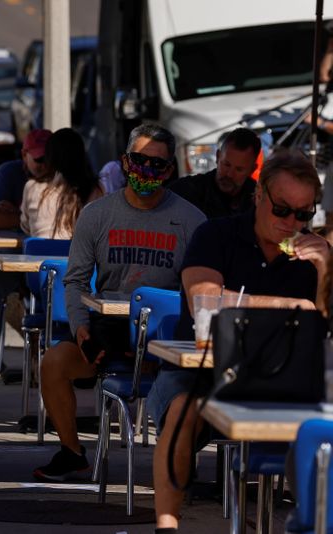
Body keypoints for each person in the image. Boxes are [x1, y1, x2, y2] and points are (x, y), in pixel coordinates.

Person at [147, 149, 329, 533]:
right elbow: (203, 299)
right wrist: (289, 305)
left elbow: (325, 327)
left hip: (279, 380)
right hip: (200, 373)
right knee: (182, 410)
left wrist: (326, 272)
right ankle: (167, 523)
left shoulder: (312, 255)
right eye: (282, 209)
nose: (291, 223)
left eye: (303, 214)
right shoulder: (216, 234)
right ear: (259, 195)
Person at [32, 123, 206, 482]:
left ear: (171, 170)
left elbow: (201, 290)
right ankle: (72, 452)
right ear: (125, 162)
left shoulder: (191, 220)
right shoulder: (97, 215)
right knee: (53, 363)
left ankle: (179, 464)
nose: (147, 171)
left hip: (166, 335)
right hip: (107, 330)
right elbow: (76, 280)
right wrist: (81, 332)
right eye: (139, 160)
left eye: (157, 164)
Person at [0, 128, 100, 373]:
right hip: (82, 279)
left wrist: (15, 213)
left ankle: (28, 351)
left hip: (39, 276)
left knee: (1, 283)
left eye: (45, 159)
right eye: (37, 159)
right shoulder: (96, 192)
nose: (41, 165)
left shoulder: (33, 189)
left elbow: (28, 229)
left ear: (52, 158)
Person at [168, 127, 261, 219]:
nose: (229, 174)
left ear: (252, 170)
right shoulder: (186, 190)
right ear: (217, 157)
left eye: (239, 169)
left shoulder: (260, 201)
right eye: (226, 165)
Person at [0, 128, 51, 231]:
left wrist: (18, 214)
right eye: (39, 159)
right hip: (12, 246)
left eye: (50, 158)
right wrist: (39, 218)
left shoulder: (62, 177)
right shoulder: (8, 172)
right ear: (24, 155)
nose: (46, 164)